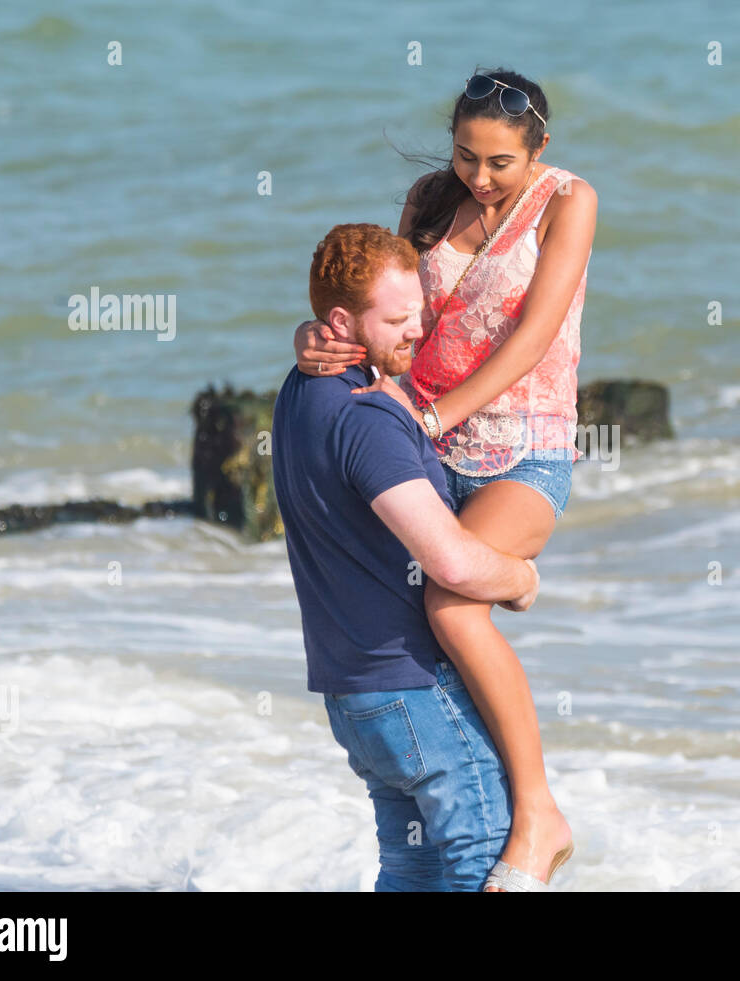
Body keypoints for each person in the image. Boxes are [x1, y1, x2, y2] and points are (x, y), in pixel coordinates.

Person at [292, 67, 595, 890]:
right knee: (408, 631)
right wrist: (312, 339)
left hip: (522, 447)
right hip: (424, 446)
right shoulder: (432, 198)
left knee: (452, 600)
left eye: (500, 161)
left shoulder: (569, 202)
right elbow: (384, 310)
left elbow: (533, 335)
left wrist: (431, 414)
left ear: (539, 148)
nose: (480, 176)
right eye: (467, 154)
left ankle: (537, 814)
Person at [273, 222, 551, 891]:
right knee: (482, 862)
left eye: (419, 311)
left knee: (413, 872)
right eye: (397, 318)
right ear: (342, 321)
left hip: (355, 699)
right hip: (414, 690)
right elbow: (450, 562)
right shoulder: (366, 420)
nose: (417, 331)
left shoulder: (298, 391)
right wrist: (519, 576)